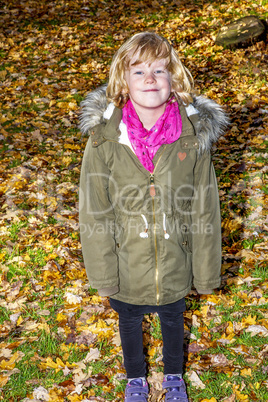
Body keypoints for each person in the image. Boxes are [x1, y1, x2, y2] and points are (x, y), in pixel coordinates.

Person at [79, 32, 229, 402]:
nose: (150, 78)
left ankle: (174, 376)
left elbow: (205, 207)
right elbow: (94, 208)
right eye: (139, 70)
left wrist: (206, 272)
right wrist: (103, 274)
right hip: (125, 258)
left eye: (160, 70)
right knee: (129, 318)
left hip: (176, 257)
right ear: (122, 81)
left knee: (172, 317)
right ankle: (135, 379)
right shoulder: (104, 140)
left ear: (173, 80)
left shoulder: (192, 140)